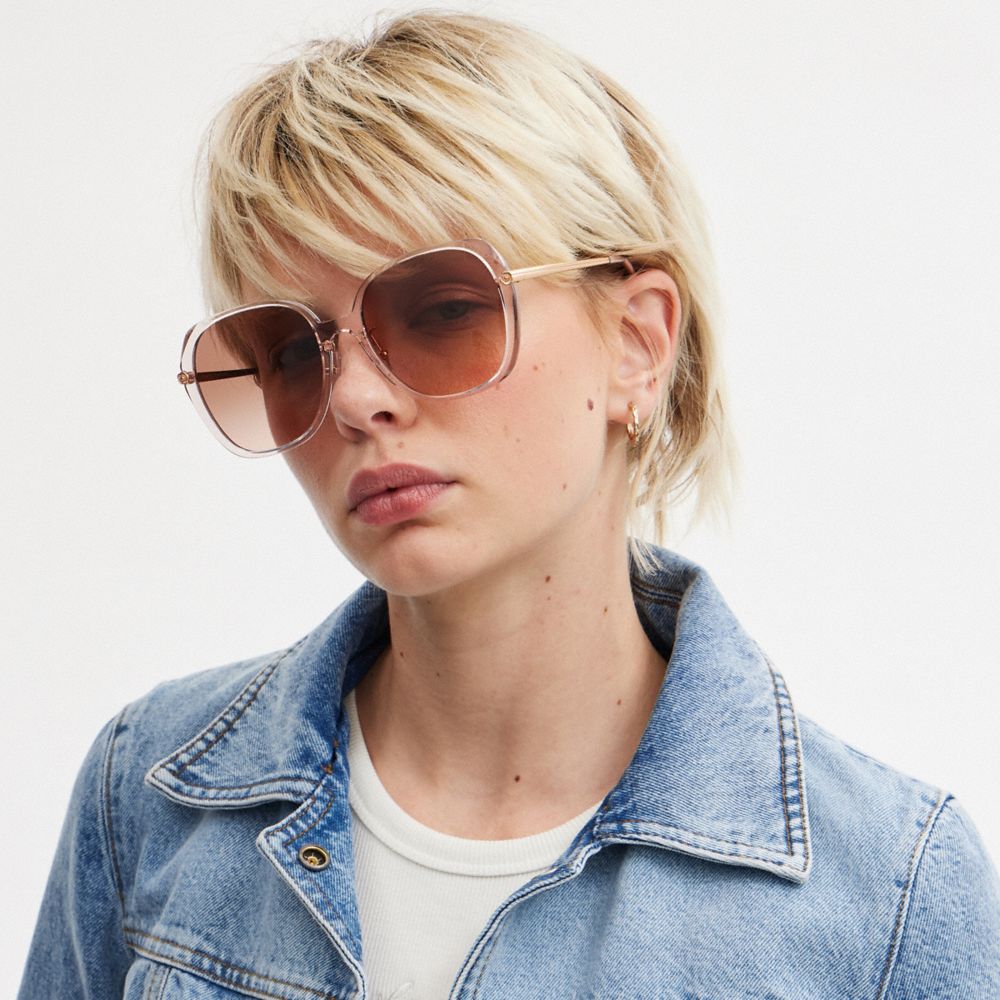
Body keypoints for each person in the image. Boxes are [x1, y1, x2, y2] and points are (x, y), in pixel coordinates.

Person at [18, 11, 1000, 999]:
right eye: (289, 353)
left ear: (637, 344)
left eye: (443, 311)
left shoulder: (887, 895)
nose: (355, 399)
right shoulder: (147, 800)